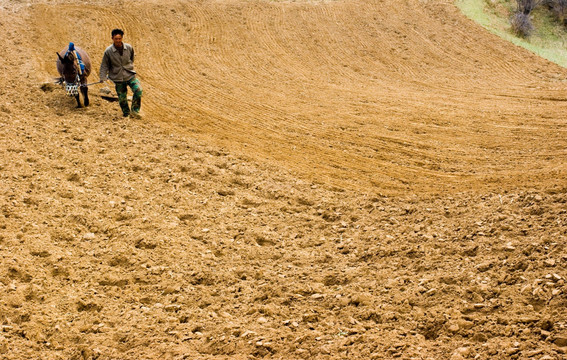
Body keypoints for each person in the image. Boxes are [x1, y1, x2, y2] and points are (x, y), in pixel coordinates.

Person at [99, 28, 143, 118]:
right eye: (116, 39)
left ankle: (135, 111)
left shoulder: (129, 48)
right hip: (118, 78)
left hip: (130, 75)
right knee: (122, 98)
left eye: (119, 38)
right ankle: (126, 113)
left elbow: (131, 59)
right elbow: (104, 65)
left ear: (122, 38)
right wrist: (102, 77)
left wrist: (128, 67)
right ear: (112, 38)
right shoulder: (108, 51)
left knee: (138, 90)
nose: (118, 41)